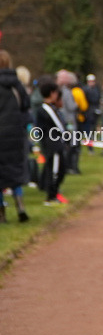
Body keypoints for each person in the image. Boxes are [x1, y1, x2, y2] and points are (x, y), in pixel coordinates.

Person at [0, 50, 31, 222]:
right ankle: (20, 206)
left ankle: (1, 212)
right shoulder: (16, 84)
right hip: (15, 134)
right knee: (15, 171)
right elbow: (25, 106)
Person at [35, 76, 68, 206]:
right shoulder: (46, 108)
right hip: (52, 144)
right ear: (51, 93)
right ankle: (51, 196)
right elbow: (58, 125)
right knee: (54, 170)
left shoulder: (50, 108)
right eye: (55, 93)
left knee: (60, 169)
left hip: (55, 143)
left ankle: (54, 192)